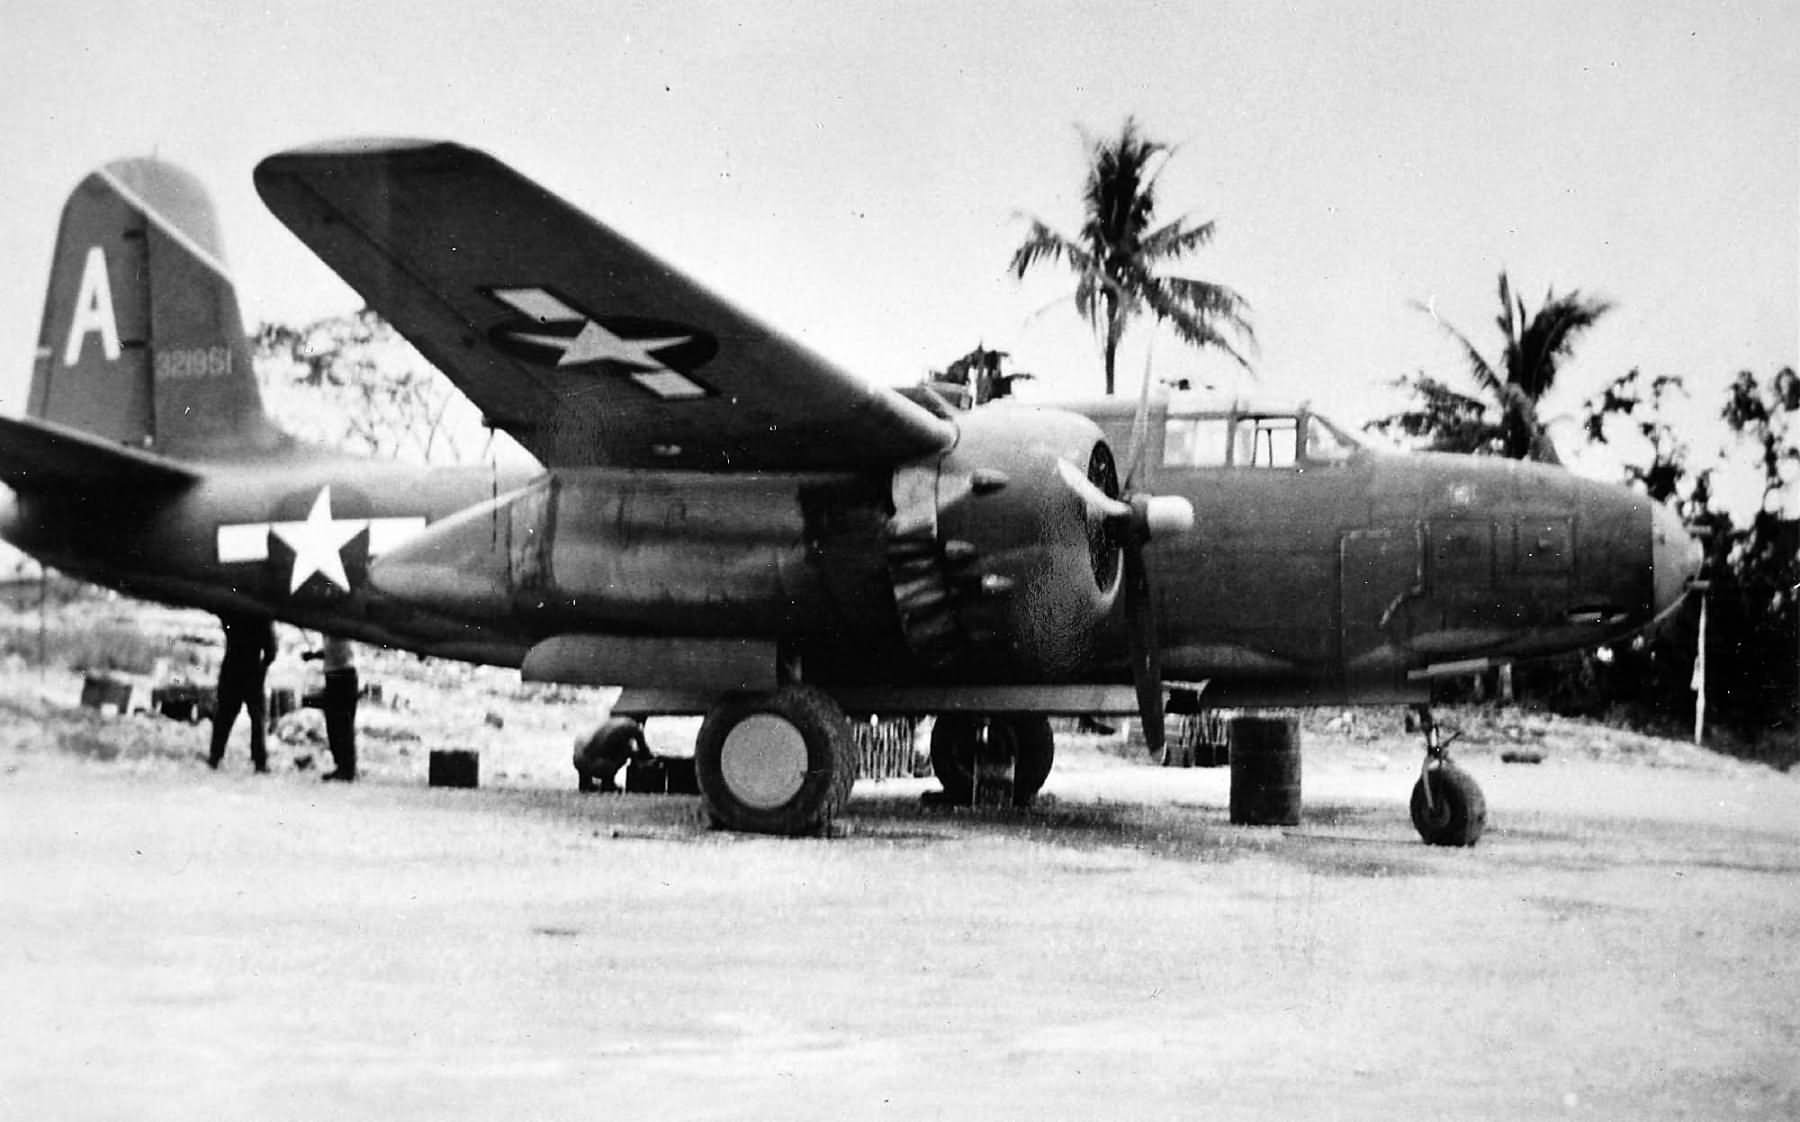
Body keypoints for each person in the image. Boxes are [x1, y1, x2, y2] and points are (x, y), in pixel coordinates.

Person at [208, 613, 278, 772]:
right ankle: (259, 761)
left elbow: (222, 616)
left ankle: (215, 756)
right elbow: (271, 651)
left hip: (231, 668)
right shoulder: (262, 616)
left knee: (224, 715)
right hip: (253, 670)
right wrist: (263, 668)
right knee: (257, 718)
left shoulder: (232, 612)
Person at [304, 636, 358, 782]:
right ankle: (344, 767)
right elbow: (333, 650)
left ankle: (346, 770)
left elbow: (337, 652)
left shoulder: (336, 627)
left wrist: (317, 655)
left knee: (340, 725)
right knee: (337, 725)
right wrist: (315, 655)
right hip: (339, 676)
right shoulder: (334, 630)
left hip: (341, 677)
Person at [573, 717, 651, 793]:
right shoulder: (632, 726)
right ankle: (608, 783)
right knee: (625, 751)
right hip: (597, 765)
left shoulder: (612, 721)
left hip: (579, 761)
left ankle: (585, 783)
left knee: (601, 748)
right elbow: (644, 751)